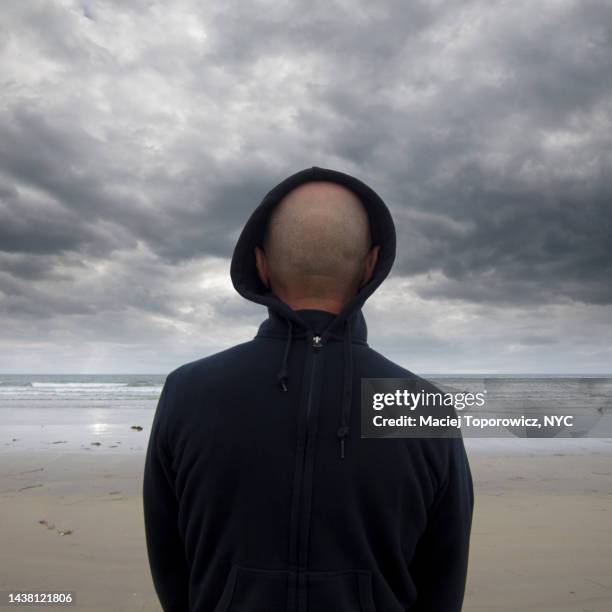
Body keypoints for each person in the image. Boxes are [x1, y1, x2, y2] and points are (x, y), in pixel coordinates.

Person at [143, 166, 474, 611]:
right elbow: (443, 585)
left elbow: (171, 570)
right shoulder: (422, 408)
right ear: (372, 266)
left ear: (259, 264)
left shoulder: (187, 392)